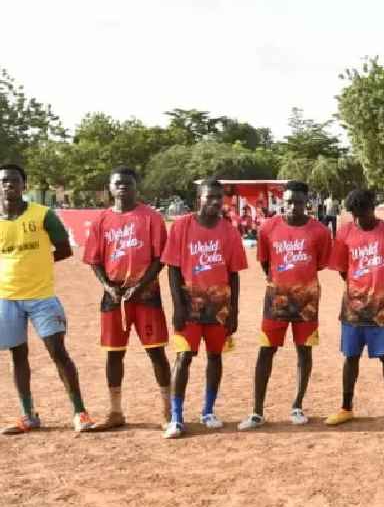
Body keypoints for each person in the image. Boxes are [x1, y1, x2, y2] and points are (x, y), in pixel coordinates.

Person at [0, 163, 97, 434]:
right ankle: (28, 415)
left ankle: (80, 412)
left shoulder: (43, 215)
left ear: (24, 185)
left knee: (58, 352)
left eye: (14, 181)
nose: (8, 185)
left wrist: (39, 262)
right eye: (4, 181)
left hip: (41, 297)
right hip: (6, 298)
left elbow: (65, 249)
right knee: (17, 355)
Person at [82, 166, 172, 431]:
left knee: (156, 352)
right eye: (118, 183)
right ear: (110, 188)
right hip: (114, 295)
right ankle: (115, 411)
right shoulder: (102, 220)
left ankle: (168, 411)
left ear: (136, 187)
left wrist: (141, 284)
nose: (122, 187)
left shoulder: (151, 217)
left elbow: (160, 258)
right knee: (113, 354)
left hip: (146, 294)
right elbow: (94, 260)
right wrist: (108, 287)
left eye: (128, 183)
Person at [240, 180, 332, 429]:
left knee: (304, 351)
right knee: (266, 351)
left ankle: (297, 406)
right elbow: (265, 263)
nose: (293, 206)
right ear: (283, 201)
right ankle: (257, 411)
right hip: (276, 301)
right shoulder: (268, 228)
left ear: (307, 204)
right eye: (289, 201)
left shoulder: (320, 232)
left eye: (299, 202)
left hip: (307, 302)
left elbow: (320, 264)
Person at [161, 178, 247, 438]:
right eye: (209, 197)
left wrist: (233, 310)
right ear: (199, 198)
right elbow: (173, 269)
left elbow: (234, 274)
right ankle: (176, 417)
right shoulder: (181, 227)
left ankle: (208, 411)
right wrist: (178, 306)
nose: (215, 202)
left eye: (219, 198)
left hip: (218, 307)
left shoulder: (229, 231)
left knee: (215, 357)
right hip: (189, 306)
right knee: (184, 357)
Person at [324, 189, 384, 426]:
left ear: (373, 208)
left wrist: (382, 290)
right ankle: (346, 407)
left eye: (362, 213)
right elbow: (343, 268)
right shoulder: (344, 233)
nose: (358, 219)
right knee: (350, 358)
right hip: (353, 310)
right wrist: (359, 291)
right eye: (354, 214)